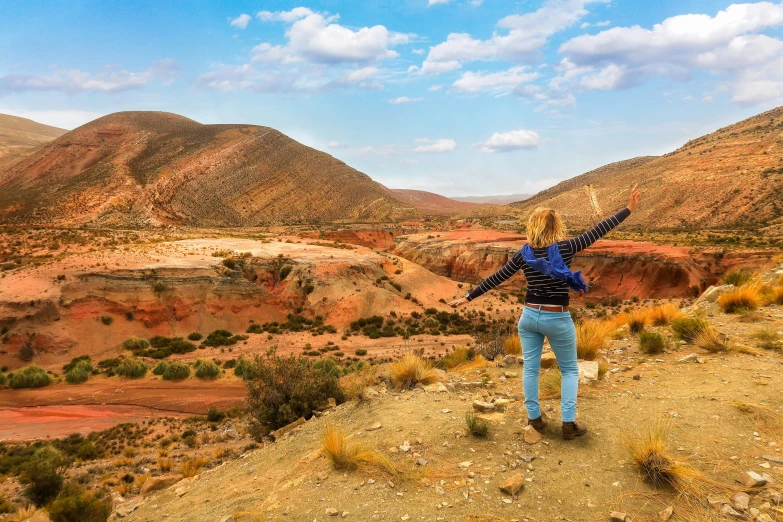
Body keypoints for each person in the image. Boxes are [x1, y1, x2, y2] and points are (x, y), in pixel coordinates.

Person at [449, 185, 641, 440]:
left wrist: (468, 297)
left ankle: (535, 419)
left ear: (533, 227)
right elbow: (599, 230)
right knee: (570, 370)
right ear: (555, 227)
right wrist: (629, 209)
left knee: (530, 369)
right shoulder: (566, 248)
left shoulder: (524, 254)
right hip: (557, 317)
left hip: (529, 316)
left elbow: (497, 277)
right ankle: (568, 424)